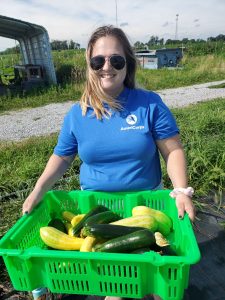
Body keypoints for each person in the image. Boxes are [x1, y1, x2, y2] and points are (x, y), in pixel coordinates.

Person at [22, 25, 195, 300]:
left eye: (116, 60)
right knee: (115, 288)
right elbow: (61, 157)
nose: (107, 66)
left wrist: (182, 190)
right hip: (95, 211)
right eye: (98, 60)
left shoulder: (149, 104)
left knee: (157, 285)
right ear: (89, 65)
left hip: (145, 208)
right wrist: (37, 191)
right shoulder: (77, 113)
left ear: (127, 63)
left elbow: (172, 150)